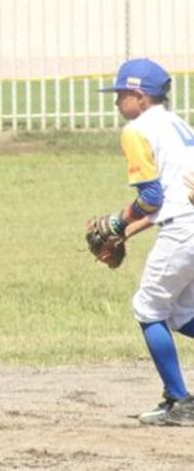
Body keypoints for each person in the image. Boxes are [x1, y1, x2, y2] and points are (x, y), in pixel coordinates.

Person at [89, 58, 194, 426]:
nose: (117, 103)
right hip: (188, 222)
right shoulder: (177, 124)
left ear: (139, 96)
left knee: (148, 308)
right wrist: (125, 232)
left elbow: (151, 197)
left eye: (121, 95)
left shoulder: (138, 129)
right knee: (182, 314)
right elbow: (172, 199)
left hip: (183, 229)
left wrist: (118, 221)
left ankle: (180, 401)